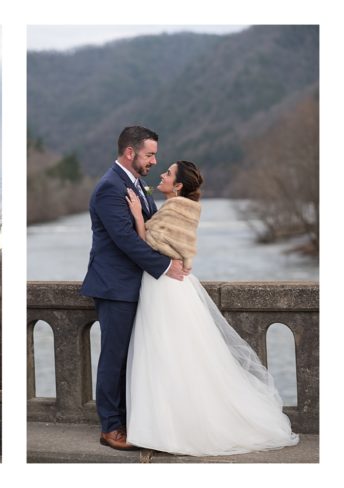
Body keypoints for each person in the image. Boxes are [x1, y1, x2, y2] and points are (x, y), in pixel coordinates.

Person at [123, 160, 299, 456]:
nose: (162, 175)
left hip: (164, 286)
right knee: (177, 352)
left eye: (167, 173)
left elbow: (147, 246)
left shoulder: (176, 208)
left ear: (178, 185)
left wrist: (138, 216)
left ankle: (169, 425)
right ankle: (168, 422)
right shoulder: (181, 207)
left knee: (165, 351)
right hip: (169, 284)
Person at [81, 126, 189, 451]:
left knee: (132, 357)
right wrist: (166, 267)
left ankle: (132, 422)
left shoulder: (137, 185)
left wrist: (176, 254)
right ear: (131, 153)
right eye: (150, 154)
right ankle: (110, 428)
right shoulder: (109, 189)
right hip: (114, 287)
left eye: (155, 154)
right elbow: (125, 241)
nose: (155, 160)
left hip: (134, 286)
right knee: (114, 358)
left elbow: (148, 230)